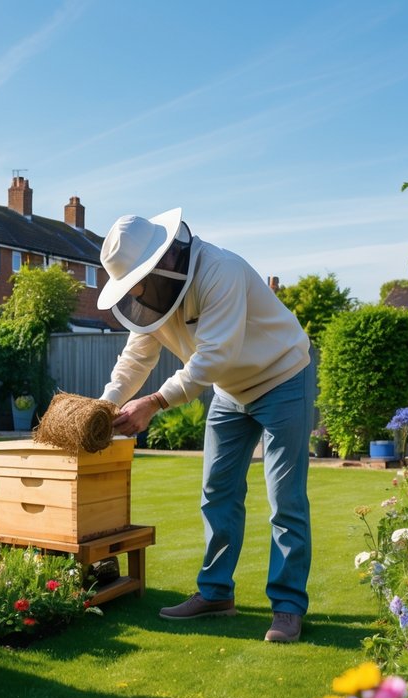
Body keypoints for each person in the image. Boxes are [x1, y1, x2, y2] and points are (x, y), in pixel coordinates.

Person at [96, 208, 312, 643]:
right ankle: (215, 594)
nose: (137, 290)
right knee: (217, 492)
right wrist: (103, 407)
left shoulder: (221, 271)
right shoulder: (153, 297)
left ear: (163, 260)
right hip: (231, 392)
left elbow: (214, 356)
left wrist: (154, 402)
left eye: (139, 280)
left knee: (284, 499)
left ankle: (287, 607)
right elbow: (136, 359)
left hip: (281, 377)